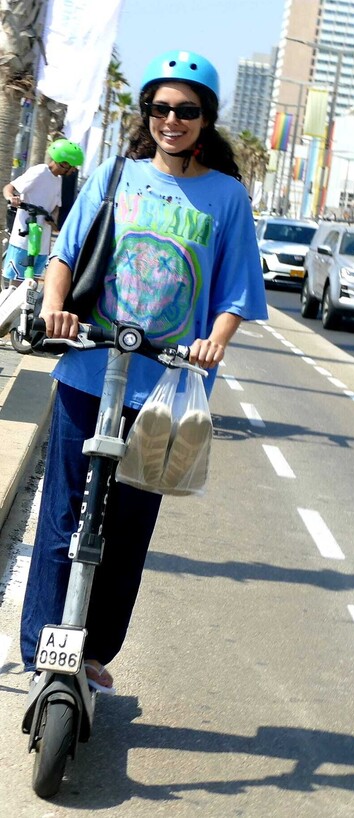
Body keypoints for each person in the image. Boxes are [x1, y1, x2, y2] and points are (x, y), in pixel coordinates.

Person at [20, 50, 268, 693]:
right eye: (160, 108)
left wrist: (214, 342)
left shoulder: (226, 197)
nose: (171, 120)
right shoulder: (113, 176)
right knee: (62, 514)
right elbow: (65, 258)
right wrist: (53, 310)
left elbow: (237, 292)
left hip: (166, 386)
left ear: (206, 119)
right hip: (88, 367)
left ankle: (94, 649)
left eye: (186, 110)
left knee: (129, 525)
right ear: (147, 113)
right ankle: (44, 645)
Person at [2, 139, 83, 288]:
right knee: (16, 285)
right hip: (24, 237)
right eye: (73, 166)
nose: (73, 171)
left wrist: (54, 223)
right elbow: (9, 188)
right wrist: (11, 198)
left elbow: (55, 208)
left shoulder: (58, 180)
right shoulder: (39, 171)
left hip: (42, 242)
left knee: (31, 287)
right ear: (64, 163)